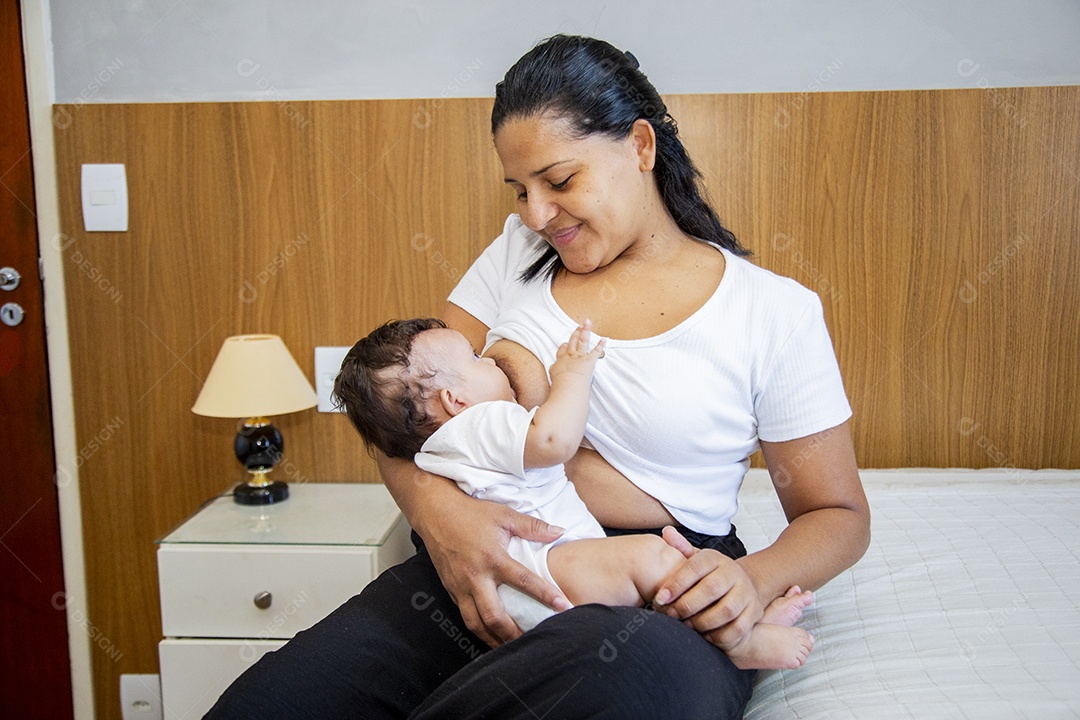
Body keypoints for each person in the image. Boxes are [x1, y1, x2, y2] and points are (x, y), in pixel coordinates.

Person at [205, 34, 869, 719]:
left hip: (657, 577)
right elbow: (406, 411)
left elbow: (837, 515)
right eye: (519, 191)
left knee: (626, 678)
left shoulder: (772, 311)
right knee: (273, 702)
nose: (535, 215)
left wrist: (748, 581)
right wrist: (442, 517)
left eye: (559, 181)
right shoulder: (516, 254)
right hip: (483, 554)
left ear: (641, 147)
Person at [333, 316, 816, 669]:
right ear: (455, 401)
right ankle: (742, 644)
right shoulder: (481, 423)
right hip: (547, 572)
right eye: (476, 359)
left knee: (656, 587)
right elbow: (553, 441)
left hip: (520, 588)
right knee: (652, 557)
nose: (490, 360)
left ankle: (743, 619)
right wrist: (573, 373)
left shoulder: (433, 450)